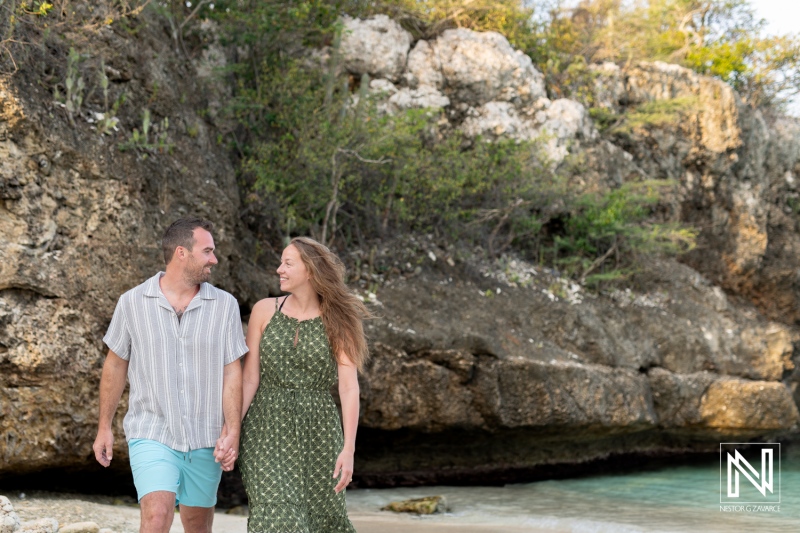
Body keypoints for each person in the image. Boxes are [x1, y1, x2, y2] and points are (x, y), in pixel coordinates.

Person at [92, 217, 247, 533]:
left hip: (205, 437)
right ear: (182, 252)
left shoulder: (225, 306)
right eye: (207, 251)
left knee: (197, 525)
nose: (214, 259)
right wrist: (104, 427)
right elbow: (115, 365)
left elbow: (232, 372)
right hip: (151, 430)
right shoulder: (132, 303)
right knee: (157, 517)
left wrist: (232, 429)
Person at [238, 237, 370, 532]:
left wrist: (348, 449)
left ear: (310, 270)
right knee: (276, 517)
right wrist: (232, 429)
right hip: (265, 429)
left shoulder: (339, 320)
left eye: (288, 263)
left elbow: (348, 388)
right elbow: (249, 377)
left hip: (319, 433)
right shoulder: (263, 310)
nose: (278, 269)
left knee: (321, 522)